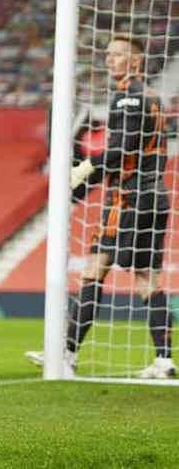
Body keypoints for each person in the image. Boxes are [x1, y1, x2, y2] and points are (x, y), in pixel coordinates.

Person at [27, 35, 174, 379]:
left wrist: (86, 167)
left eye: (118, 55)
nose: (110, 60)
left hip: (129, 199)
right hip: (155, 198)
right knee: (147, 279)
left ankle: (67, 353)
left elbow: (121, 149)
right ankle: (164, 360)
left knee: (94, 269)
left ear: (135, 62)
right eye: (108, 54)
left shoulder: (128, 98)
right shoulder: (153, 97)